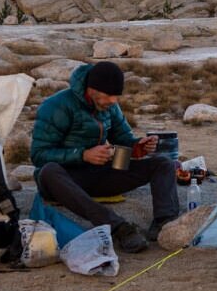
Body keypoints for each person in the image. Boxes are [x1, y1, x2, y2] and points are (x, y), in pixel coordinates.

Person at [31, 61, 179, 254]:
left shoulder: (109, 106)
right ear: (92, 90)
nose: (113, 101)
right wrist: (83, 155)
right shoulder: (56, 106)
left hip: (98, 173)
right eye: (109, 95)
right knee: (48, 171)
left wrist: (137, 147)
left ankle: (164, 223)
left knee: (163, 163)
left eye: (116, 96)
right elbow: (38, 155)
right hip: (65, 180)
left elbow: (123, 138)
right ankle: (119, 227)